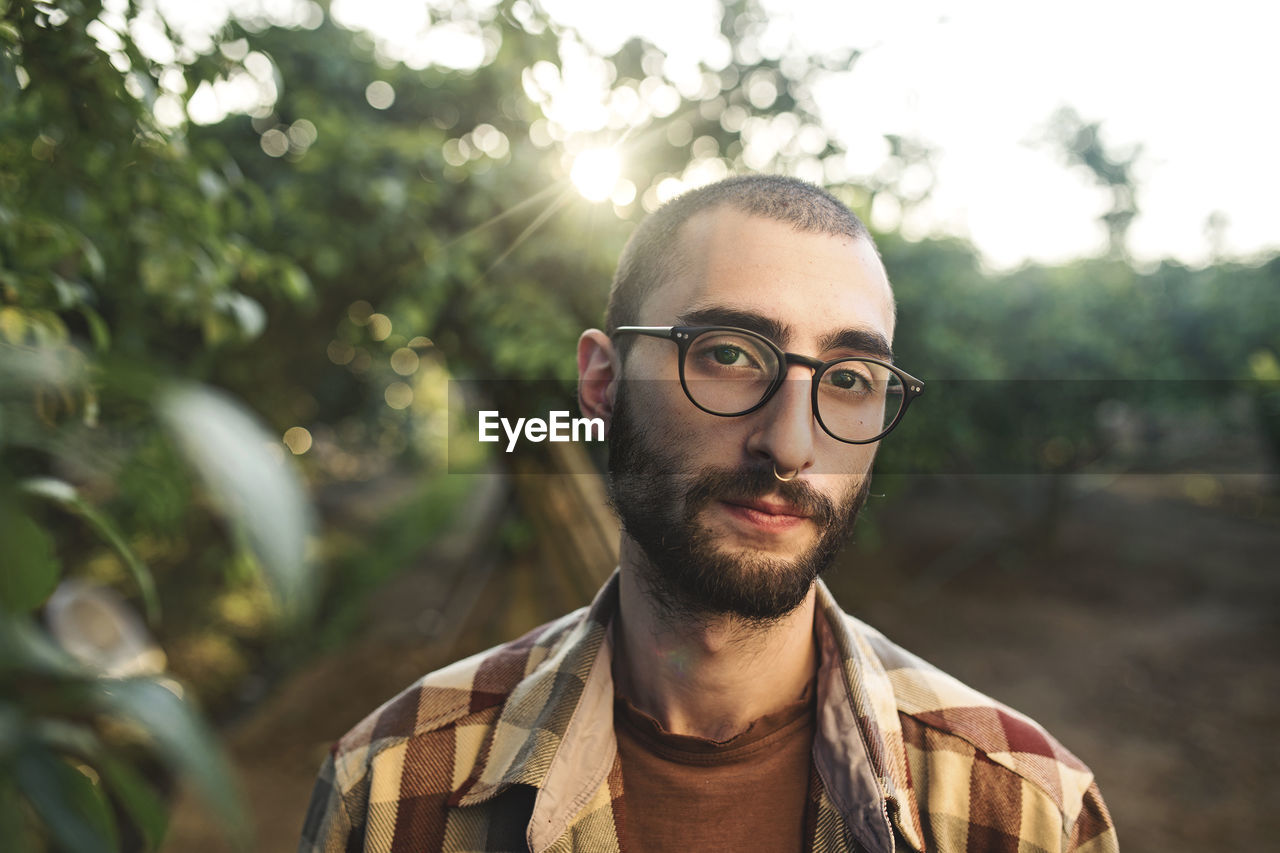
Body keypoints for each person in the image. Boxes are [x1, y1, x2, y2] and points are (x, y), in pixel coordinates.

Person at [299, 175, 1118, 853]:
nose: (791, 445)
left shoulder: (1027, 812)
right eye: (728, 355)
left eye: (850, 378)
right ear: (603, 383)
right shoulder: (390, 791)